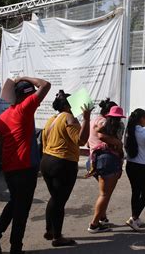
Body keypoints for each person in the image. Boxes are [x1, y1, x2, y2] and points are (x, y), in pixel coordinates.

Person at [0, 76, 51, 254]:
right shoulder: (25, 109)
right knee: (22, 210)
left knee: (14, 203)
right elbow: (45, 85)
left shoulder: (3, 116)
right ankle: (16, 248)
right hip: (25, 168)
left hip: (9, 169)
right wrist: (23, 77)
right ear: (28, 95)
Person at [41, 90, 92, 245]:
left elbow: (45, 141)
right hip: (63, 164)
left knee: (55, 198)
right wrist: (87, 119)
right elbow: (81, 140)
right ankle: (57, 237)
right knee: (59, 200)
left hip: (47, 161)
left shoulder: (52, 119)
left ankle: (50, 229)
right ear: (69, 105)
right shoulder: (70, 118)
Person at [87, 105, 126, 233]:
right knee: (105, 194)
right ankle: (94, 224)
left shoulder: (98, 123)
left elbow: (94, 138)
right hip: (109, 160)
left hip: (95, 159)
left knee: (104, 192)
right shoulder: (117, 126)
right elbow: (114, 143)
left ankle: (102, 217)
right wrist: (119, 147)